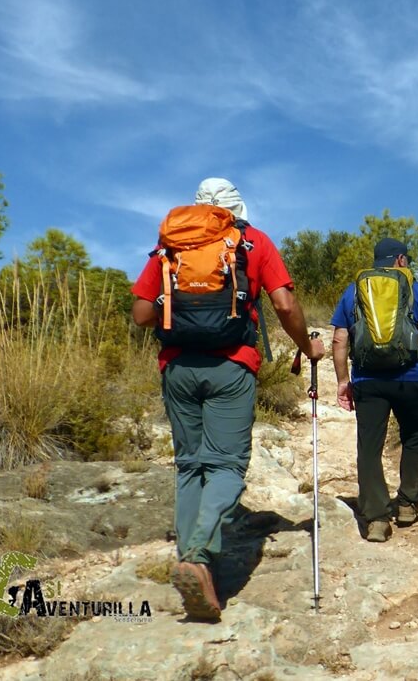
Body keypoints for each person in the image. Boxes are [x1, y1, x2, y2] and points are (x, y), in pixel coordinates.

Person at [131, 177, 325, 621]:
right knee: (226, 465)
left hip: (177, 367)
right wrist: (306, 346)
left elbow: (142, 313)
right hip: (232, 366)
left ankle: (194, 564)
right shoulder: (253, 241)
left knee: (190, 465)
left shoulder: (171, 245)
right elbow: (285, 305)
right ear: (238, 206)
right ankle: (198, 557)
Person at [331, 237, 418, 542]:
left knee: (369, 448)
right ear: (400, 259)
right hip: (409, 379)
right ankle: (409, 504)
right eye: (407, 259)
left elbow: (339, 341)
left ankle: (376, 520)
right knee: (413, 437)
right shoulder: (413, 287)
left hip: (368, 382)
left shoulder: (354, 290)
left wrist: (344, 381)